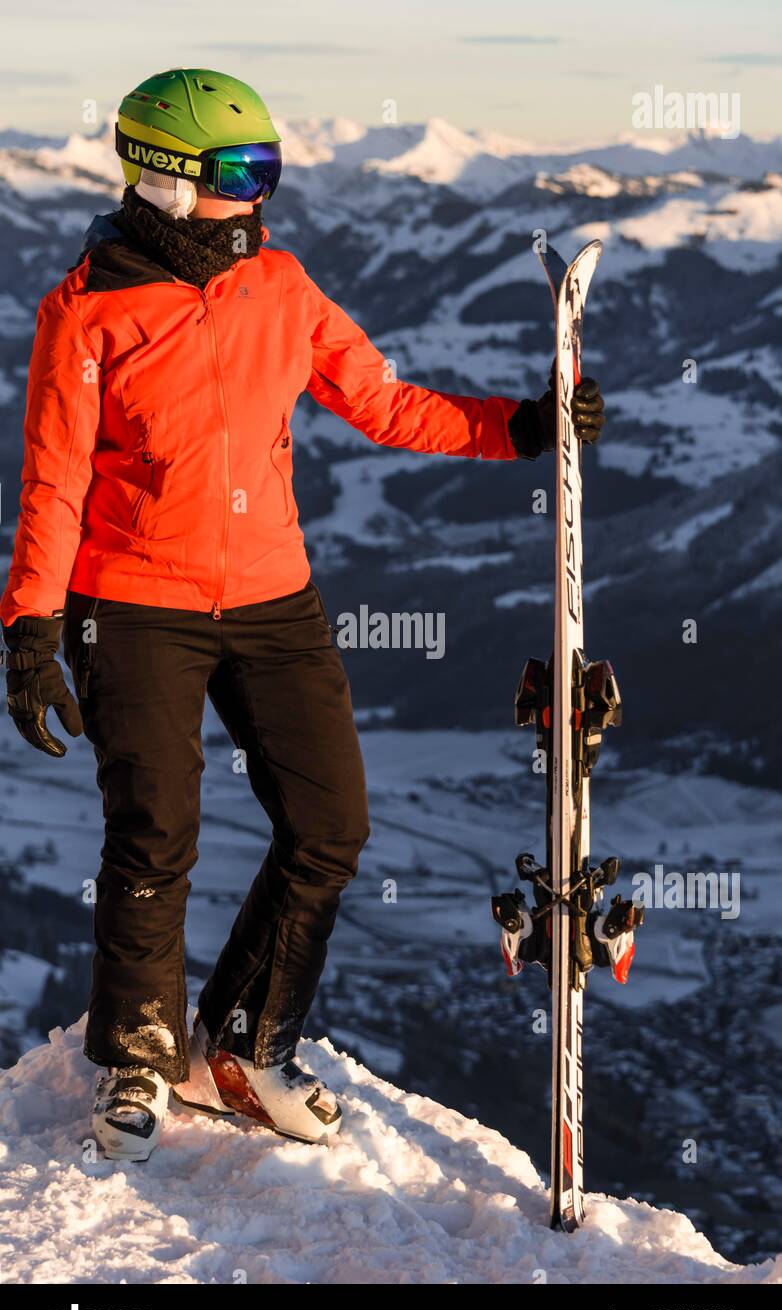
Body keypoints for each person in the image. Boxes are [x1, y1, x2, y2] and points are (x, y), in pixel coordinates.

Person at [0, 69, 606, 1161]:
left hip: (273, 596)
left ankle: (239, 1042)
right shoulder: (85, 310)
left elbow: (379, 398)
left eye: (267, 168)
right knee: (155, 833)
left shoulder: (280, 286)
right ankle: (139, 1055)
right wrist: (33, 631)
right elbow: (52, 483)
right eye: (238, 171)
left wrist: (515, 428)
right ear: (165, 179)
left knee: (329, 825)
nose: (258, 191)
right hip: (134, 602)